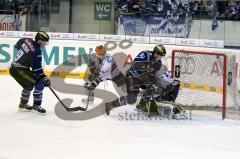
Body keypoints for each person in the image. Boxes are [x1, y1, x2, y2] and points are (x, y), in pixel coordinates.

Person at [105, 44, 167, 115]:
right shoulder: (146, 54)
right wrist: (145, 66)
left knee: (155, 89)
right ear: (155, 54)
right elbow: (135, 65)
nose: (161, 58)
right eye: (160, 56)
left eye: (162, 56)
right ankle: (111, 104)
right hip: (133, 77)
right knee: (132, 98)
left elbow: (152, 76)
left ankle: (143, 105)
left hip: (143, 80)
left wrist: (151, 84)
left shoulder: (158, 63)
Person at [9, 31, 51, 114]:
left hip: (15, 68)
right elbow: (37, 69)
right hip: (19, 70)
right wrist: (44, 78)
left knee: (28, 85)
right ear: (39, 40)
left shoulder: (27, 40)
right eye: (44, 41)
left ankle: (23, 104)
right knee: (39, 83)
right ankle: (36, 106)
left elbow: (19, 43)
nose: (45, 43)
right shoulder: (36, 51)